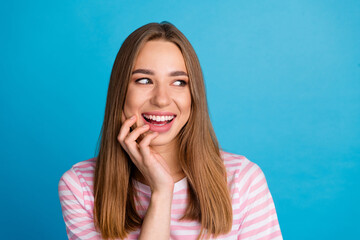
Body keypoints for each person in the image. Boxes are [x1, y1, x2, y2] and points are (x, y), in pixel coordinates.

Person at [58, 22, 282, 240]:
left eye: (178, 82)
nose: (162, 99)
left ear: (193, 95)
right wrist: (162, 192)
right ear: (121, 93)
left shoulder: (242, 180)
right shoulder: (81, 187)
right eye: (144, 80)